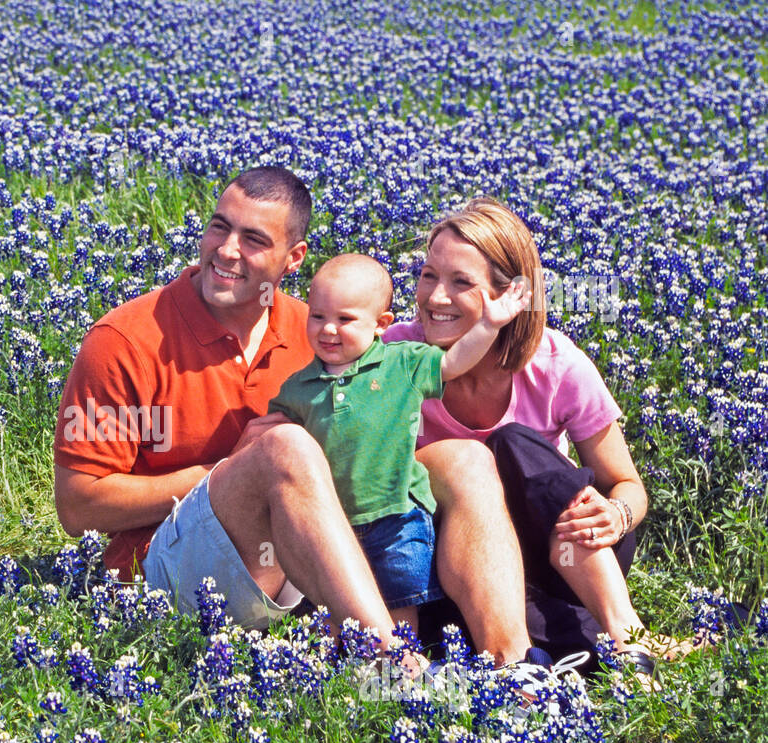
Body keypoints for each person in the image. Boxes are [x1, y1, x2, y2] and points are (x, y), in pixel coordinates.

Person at [53, 167, 550, 680]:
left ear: (294, 258)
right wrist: (230, 469)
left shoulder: (320, 327)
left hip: (310, 564)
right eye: (219, 227)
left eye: (253, 240)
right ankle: (388, 664)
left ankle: (513, 667)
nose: (226, 251)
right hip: (174, 574)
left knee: (465, 458)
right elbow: (78, 507)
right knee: (287, 446)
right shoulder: (122, 341)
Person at [385, 197, 692, 679]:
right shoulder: (393, 358)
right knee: (499, 638)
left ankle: (624, 628)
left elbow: (626, 483)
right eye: (428, 275)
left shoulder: (555, 364)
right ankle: (566, 657)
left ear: (511, 295)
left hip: (569, 549)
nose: (435, 297)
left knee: (511, 443)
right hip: (466, 569)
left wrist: (616, 513)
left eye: (460, 282)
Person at [267, 253, 526, 633]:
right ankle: (341, 681)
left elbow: (454, 363)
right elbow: (277, 445)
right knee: (337, 605)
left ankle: (400, 677)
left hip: (398, 515)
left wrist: (488, 324)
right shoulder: (297, 388)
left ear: (381, 325)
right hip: (334, 521)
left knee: (399, 603)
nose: (328, 329)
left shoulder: (402, 362)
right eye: (318, 316)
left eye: (345, 319)